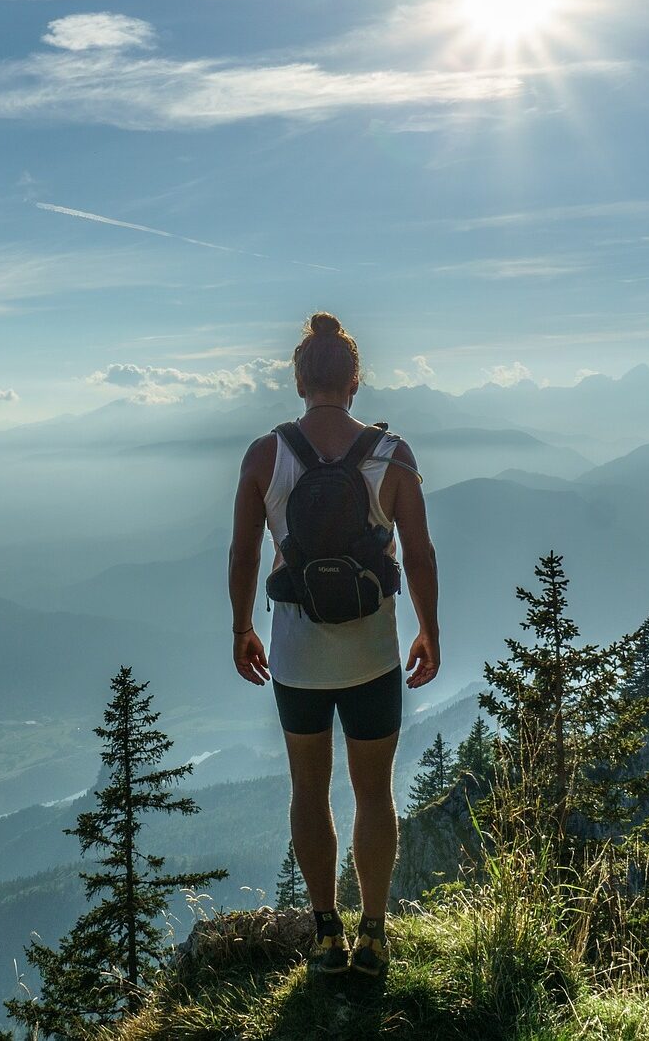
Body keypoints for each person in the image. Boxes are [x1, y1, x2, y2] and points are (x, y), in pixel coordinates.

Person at [228, 311, 440, 980]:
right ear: (355, 380)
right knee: (374, 794)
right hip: (373, 655)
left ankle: (326, 935)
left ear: (299, 381)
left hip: (298, 658)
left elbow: (243, 550)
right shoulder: (393, 455)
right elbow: (421, 553)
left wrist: (242, 627)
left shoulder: (267, 455)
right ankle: (374, 934)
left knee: (309, 790)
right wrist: (430, 629)